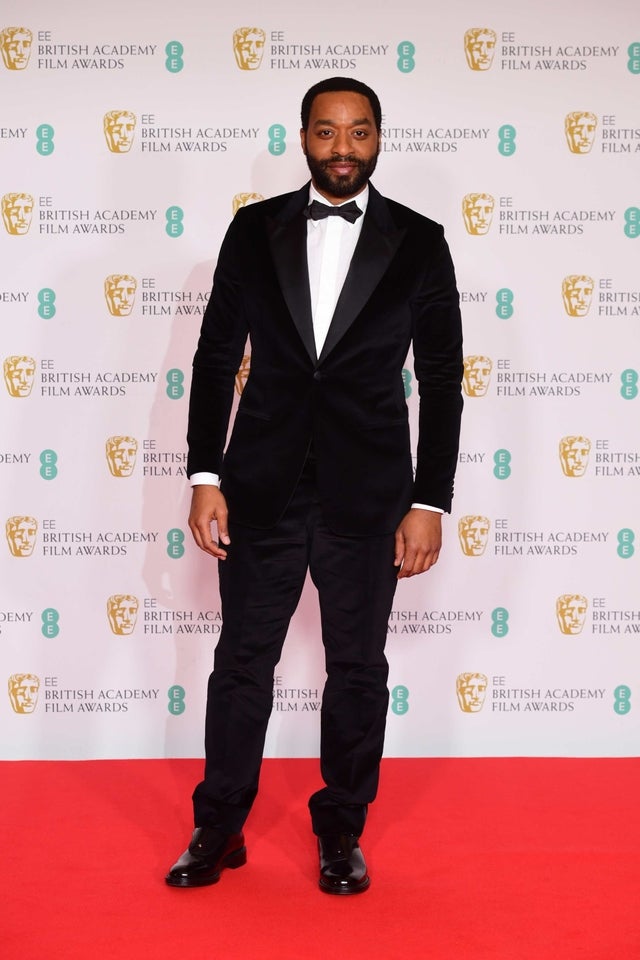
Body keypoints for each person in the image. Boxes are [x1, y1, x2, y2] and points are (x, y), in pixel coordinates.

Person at [166, 76, 463, 895]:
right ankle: (218, 825)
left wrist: (429, 500)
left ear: (378, 137)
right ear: (301, 136)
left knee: (358, 667)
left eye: (358, 132)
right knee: (241, 664)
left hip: (370, 494)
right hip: (259, 484)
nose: (342, 148)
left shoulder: (421, 240)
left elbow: (441, 378)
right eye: (327, 132)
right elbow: (215, 357)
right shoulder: (253, 229)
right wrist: (203, 472)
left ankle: (341, 831)